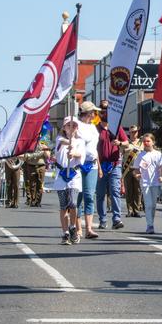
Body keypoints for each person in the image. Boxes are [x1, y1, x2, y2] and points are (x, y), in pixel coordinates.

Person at [53, 116, 85, 245]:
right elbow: (62, 143)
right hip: (61, 175)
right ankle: (65, 232)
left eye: (74, 126)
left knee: (72, 203)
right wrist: (70, 144)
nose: (71, 128)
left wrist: (74, 153)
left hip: (74, 175)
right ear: (64, 128)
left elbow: (81, 155)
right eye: (68, 125)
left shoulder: (80, 141)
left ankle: (73, 226)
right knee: (63, 205)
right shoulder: (59, 139)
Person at [96, 106, 129, 230]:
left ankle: (116, 219)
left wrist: (120, 143)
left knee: (115, 192)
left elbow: (126, 142)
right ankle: (102, 220)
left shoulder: (116, 127)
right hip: (100, 164)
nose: (105, 113)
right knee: (100, 194)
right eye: (103, 111)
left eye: (107, 111)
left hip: (115, 164)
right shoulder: (96, 129)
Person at [75, 102, 102, 239]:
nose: (95, 115)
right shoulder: (76, 126)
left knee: (89, 196)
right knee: (78, 196)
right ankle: (78, 228)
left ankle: (89, 229)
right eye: (93, 112)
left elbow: (94, 149)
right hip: (79, 163)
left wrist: (99, 166)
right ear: (88, 112)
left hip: (92, 164)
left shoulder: (93, 127)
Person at [135, 133, 162, 234]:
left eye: (148, 141)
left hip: (155, 182)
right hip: (145, 182)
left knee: (154, 205)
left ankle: (151, 223)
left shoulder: (158, 154)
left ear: (153, 142)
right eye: (144, 141)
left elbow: (161, 167)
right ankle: (149, 225)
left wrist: (160, 175)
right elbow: (136, 169)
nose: (146, 143)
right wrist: (137, 175)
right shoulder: (140, 155)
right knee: (148, 204)